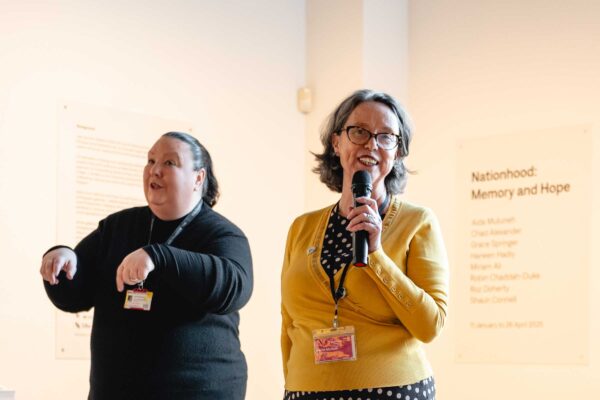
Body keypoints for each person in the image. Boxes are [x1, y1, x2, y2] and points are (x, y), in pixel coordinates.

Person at [40, 132, 253, 399]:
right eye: (151, 160)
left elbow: (234, 287)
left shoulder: (222, 234)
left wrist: (160, 257)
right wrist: (61, 260)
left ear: (198, 178)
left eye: (169, 163)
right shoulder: (117, 227)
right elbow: (74, 296)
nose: (155, 170)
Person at [281, 90, 449, 399]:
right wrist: (293, 383)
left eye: (386, 136)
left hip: (391, 390)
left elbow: (430, 324)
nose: (371, 144)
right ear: (336, 142)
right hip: (306, 390)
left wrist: (377, 255)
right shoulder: (301, 228)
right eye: (359, 132)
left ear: (397, 152)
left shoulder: (418, 222)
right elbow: (289, 324)